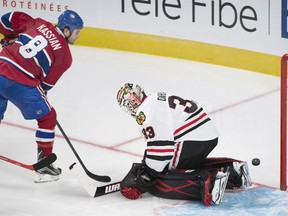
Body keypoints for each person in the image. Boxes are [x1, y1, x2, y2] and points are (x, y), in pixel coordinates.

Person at [116, 83, 252, 206]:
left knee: (164, 176)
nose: (133, 100)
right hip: (204, 135)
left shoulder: (146, 113)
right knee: (184, 165)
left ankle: (212, 180)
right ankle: (232, 170)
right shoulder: (155, 97)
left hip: (191, 138)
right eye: (129, 99)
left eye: (132, 97)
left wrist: (146, 178)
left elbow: (162, 151)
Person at [0, 10, 84, 183]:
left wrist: (9, 39)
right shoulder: (65, 57)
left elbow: (8, 18)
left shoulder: (37, 22)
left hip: (1, 65)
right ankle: (44, 167)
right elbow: (45, 86)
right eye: (77, 32)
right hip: (20, 81)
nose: (78, 37)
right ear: (66, 30)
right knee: (48, 117)